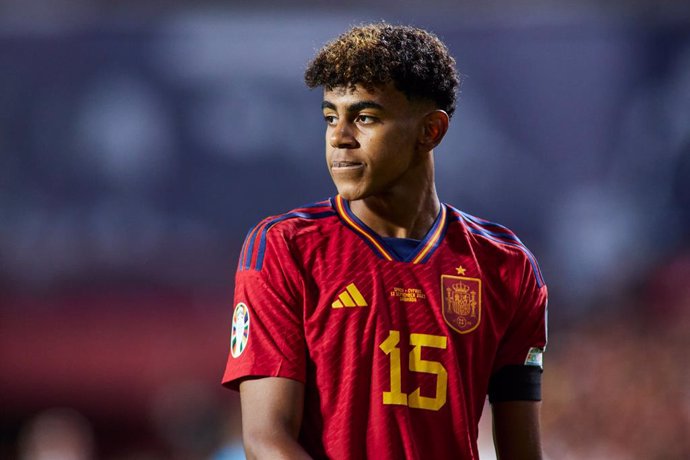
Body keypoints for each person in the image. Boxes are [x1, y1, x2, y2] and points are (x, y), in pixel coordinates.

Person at [222, 22, 548, 460]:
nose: (339, 137)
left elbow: (522, 451)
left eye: (365, 117)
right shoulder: (284, 247)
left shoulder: (507, 265)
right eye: (330, 117)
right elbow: (267, 440)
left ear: (430, 131)